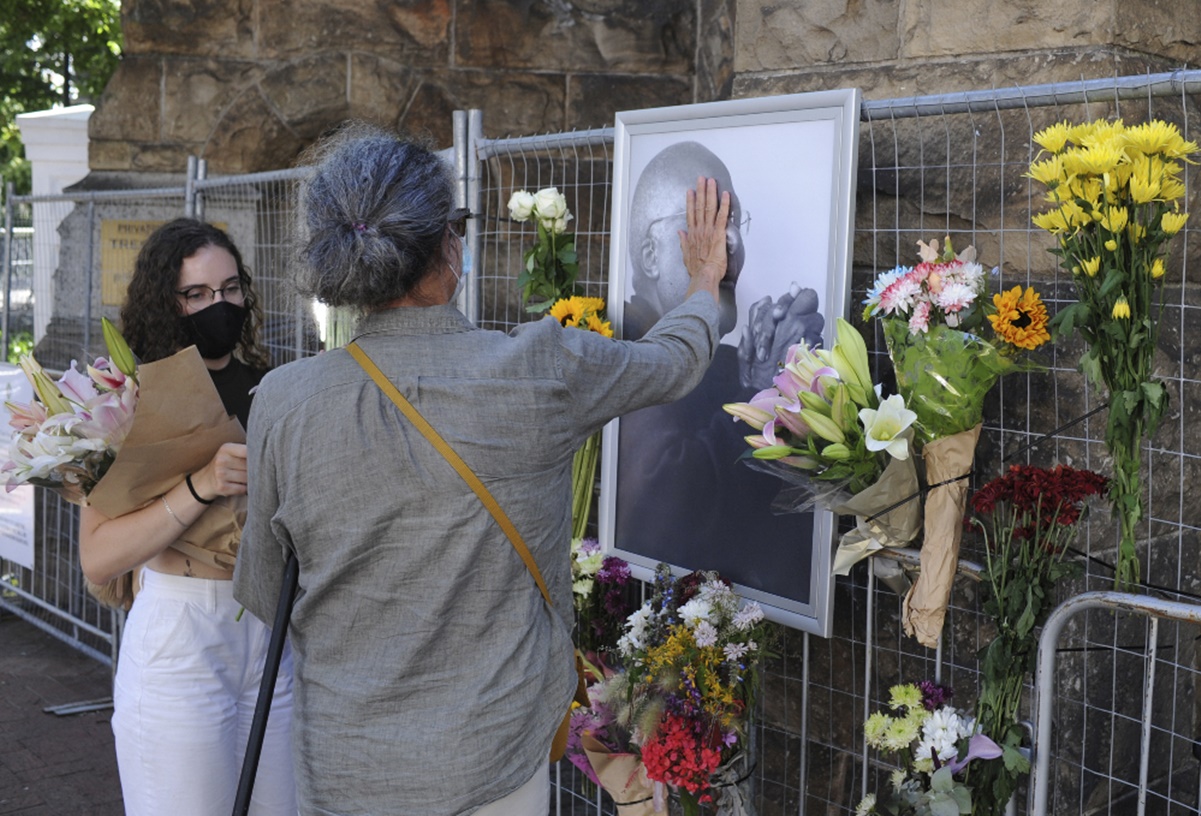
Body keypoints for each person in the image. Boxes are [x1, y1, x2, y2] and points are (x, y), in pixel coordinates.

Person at [232, 122, 729, 816]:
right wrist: (704, 287)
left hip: (348, 767)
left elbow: (261, 590)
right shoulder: (538, 368)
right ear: (449, 248)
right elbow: (673, 363)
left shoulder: (284, 402)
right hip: (495, 759)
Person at [79, 218, 296, 816]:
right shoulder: (130, 400)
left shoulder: (273, 388)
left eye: (229, 289)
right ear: (165, 302)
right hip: (183, 635)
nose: (217, 305)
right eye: (196, 294)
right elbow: (98, 556)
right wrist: (200, 486)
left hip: (272, 633)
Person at [616, 140, 824, 601]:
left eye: (733, 220)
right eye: (707, 221)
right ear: (650, 254)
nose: (730, 240)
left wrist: (780, 382)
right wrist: (756, 399)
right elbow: (662, 513)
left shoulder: (719, 360)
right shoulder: (628, 349)